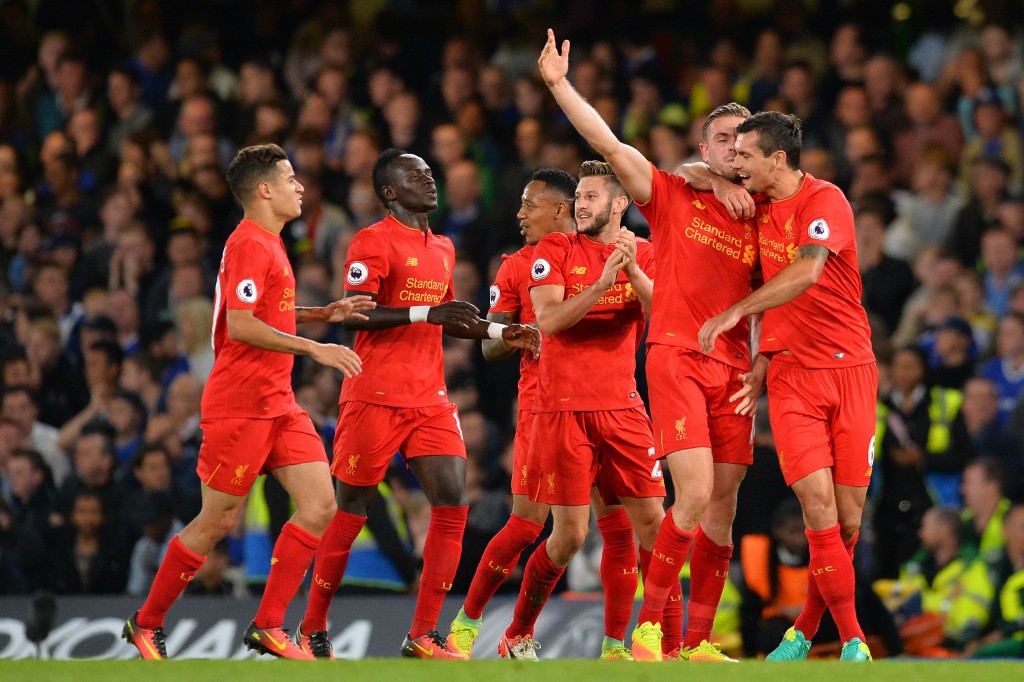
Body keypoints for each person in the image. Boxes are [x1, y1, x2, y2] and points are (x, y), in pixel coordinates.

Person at [537, 29, 761, 662]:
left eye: (741, 141)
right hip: (677, 358)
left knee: (722, 506)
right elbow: (606, 143)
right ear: (702, 148)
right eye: (721, 138)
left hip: (734, 367)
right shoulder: (670, 193)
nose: (731, 148)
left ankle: (696, 642)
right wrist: (559, 86)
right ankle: (650, 628)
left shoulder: (767, 212)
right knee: (688, 495)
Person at [121, 143, 371, 661]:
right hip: (239, 403)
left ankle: (269, 624)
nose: (299, 185)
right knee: (217, 521)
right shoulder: (250, 244)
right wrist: (313, 347)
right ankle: (146, 623)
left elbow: (266, 311)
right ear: (264, 189)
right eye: (290, 177)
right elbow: (240, 324)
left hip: (277, 401)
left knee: (321, 504)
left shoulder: (270, 243)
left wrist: (321, 314)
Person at [297, 148, 540, 661]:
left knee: (453, 503)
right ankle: (313, 626)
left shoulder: (443, 247)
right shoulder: (372, 241)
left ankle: (424, 634)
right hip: (374, 396)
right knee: (352, 510)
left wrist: (502, 330)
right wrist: (426, 311)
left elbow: (450, 317)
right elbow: (355, 317)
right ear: (390, 191)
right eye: (416, 175)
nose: (430, 180)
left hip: (429, 399)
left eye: (430, 173)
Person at [446, 169, 651, 661]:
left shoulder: (619, 250)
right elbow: (490, 344)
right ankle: (467, 629)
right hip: (545, 407)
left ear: (561, 209)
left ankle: (610, 647)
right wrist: (506, 336)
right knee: (531, 526)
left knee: (608, 528)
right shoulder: (521, 264)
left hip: (612, 406)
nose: (519, 215)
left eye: (529, 206)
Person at [697, 111, 877, 662]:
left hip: (851, 372)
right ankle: (854, 642)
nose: (736, 162)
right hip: (794, 379)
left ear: (778, 158)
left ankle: (802, 631)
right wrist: (764, 358)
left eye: (745, 155)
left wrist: (737, 314)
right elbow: (689, 171)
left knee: (847, 520)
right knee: (817, 509)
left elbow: (807, 272)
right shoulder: (755, 208)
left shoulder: (826, 201)